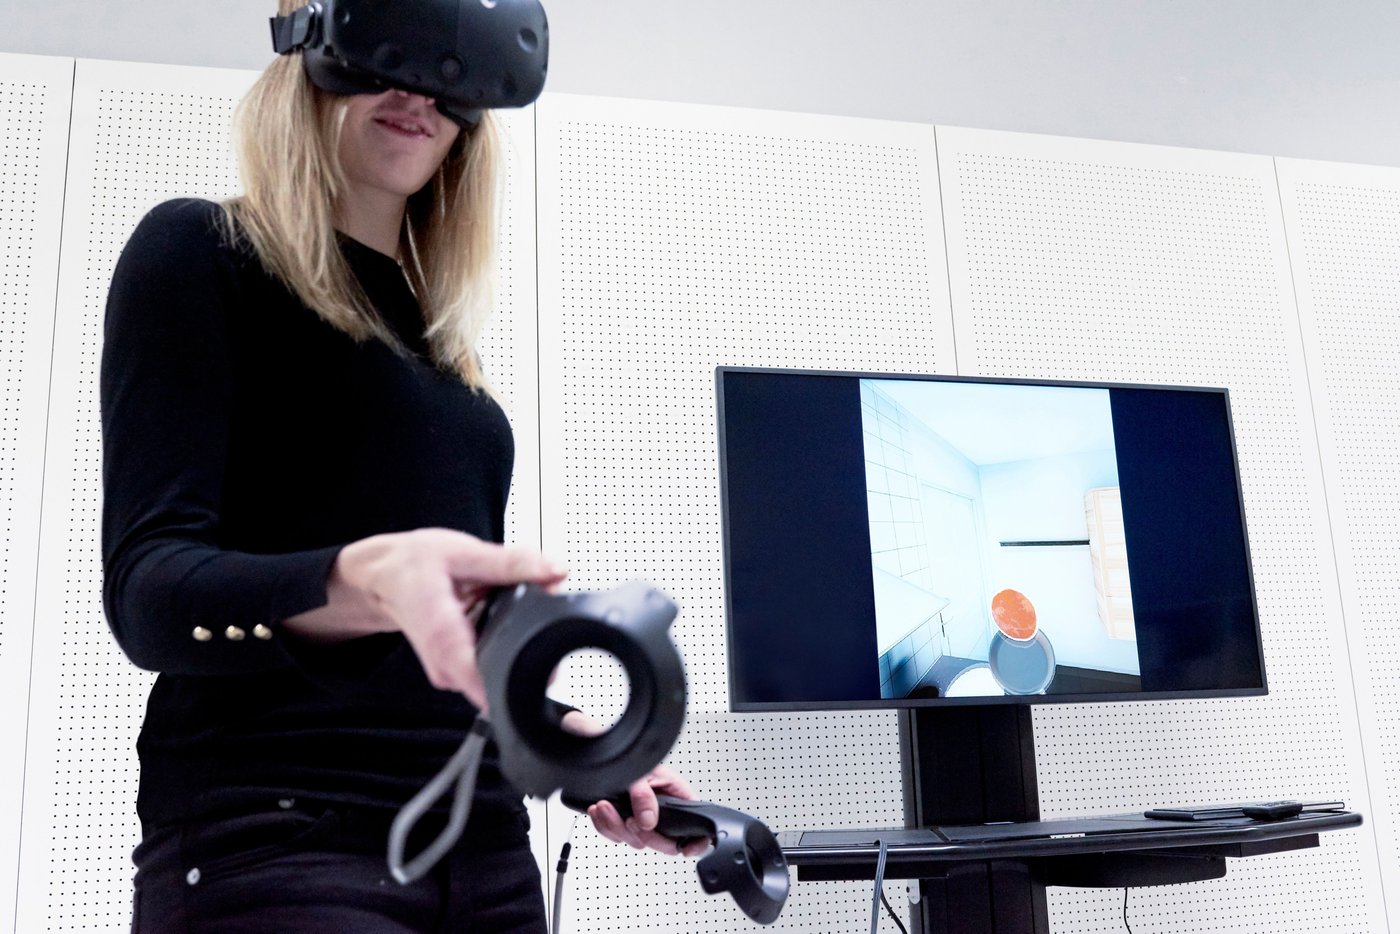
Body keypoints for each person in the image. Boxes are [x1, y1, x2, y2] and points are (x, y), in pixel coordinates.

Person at [100, 10, 700, 931]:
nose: (416, 93)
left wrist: (573, 739)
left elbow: (444, 658)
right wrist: (362, 579)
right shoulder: (203, 256)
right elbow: (151, 596)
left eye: (448, 72)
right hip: (283, 843)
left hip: (488, 859)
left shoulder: (455, 384)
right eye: (389, 51)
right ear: (312, 50)